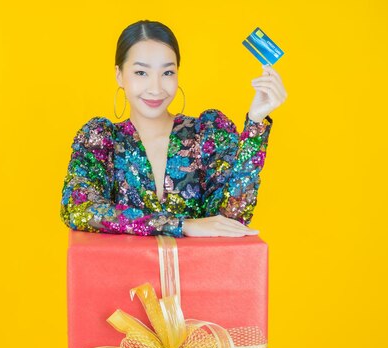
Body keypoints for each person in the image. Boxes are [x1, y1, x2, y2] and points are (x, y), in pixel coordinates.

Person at [60, 20, 287, 237]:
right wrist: (181, 226)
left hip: (199, 274)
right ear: (119, 75)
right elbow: (78, 207)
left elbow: (231, 219)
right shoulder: (100, 139)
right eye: (141, 72)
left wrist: (256, 123)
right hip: (125, 276)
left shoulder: (206, 133)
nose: (156, 88)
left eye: (167, 72)